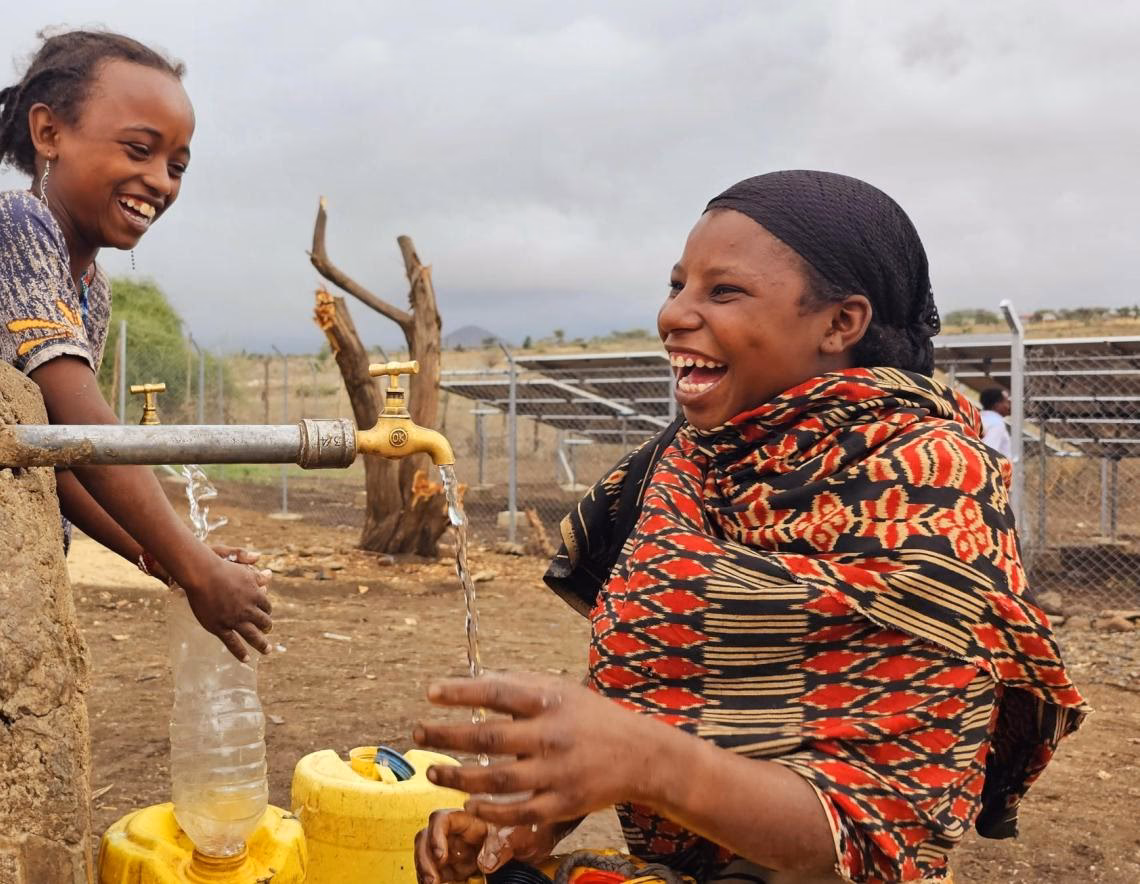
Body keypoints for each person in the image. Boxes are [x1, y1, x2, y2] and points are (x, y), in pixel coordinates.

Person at [413, 171, 1086, 883]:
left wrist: (646, 760)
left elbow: (875, 828)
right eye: (677, 286)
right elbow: (649, 686)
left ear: (840, 323)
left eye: (721, 291)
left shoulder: (930, 487)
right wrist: (530, 819)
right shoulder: (682, 467)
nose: (674, 315)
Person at [0, 29, 273, 662]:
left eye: (177, 165)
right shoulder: (14, 226)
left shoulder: (89, 292)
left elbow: (62, 457)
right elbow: (84, 428)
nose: (160, 181)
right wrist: (199, 568)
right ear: (49, 134)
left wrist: (172, 562)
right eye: (139, 149)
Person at [979, 386, 1013, 458]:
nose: (1009, 406)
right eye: (1006, 402)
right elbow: (990, 452)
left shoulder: (978, 418)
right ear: (997, 405)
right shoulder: (996, 423)